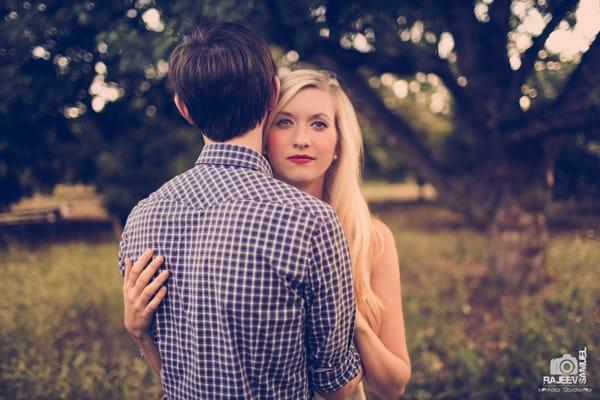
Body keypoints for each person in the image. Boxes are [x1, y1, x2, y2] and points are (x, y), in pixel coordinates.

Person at [125, 68, 412, 399]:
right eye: (284, 122)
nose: (301, 139)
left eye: (318, 123)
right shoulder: (227, 230)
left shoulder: (371, 238)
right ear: (263, 133)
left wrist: (344, 312)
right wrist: (139, 331)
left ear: (339, 142)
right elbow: (190, 379)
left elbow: (393, 385)